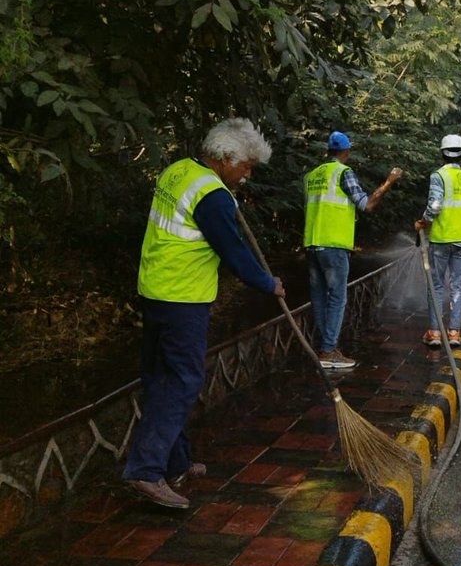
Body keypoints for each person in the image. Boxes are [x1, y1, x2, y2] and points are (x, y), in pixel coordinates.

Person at [123, 118, 285, 509]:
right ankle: (145, 471)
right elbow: (234, 253)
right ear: (226, 158)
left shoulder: (179, 170)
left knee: (161, 377)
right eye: (245, 166)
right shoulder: (212, 196)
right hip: (183, 298)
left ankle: (174, 461)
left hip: (155, 290)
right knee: (183, 381)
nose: (247, 174)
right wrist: (268, 283)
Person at [304, 130, 402, 370]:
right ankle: (328, 351)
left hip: (312, 244)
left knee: (319, 297)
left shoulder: (313, 175)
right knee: (337, 298)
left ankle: (323, 347)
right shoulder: (343, 173)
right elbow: (366, 204)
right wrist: (389, 182)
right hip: (334, 245)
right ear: (346, 152)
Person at [415, 133, 461, 348]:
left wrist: (423, 222)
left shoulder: (438, 176)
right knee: (458, 286)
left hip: (442, 239)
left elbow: (435, 205)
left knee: (436, 285)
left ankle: (435, 333)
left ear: (442, 153)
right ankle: (453, 333)